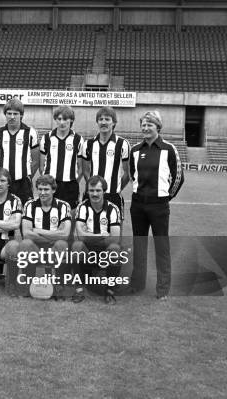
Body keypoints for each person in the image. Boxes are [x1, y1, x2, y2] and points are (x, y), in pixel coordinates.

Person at [127, 111, 184, 300]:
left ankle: (162, 289)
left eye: (149, 125)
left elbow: (178, 177)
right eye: (143, 125)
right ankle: (137, 284)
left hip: (159, 206)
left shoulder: (169, 149)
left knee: (162, 247)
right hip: (138, 206)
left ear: (158, 127)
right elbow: (132, 174)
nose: (145, 128)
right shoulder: (135, 150)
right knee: (139, 245)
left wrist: (166, 198)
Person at [13, 175, 71, 297]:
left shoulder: (63, 206)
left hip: (54, 249)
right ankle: (28, 284)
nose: (42, 192)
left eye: (46, 189)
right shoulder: (30, 205)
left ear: (53, 190)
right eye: (40, 189)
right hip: (36, 249)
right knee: (25, 243)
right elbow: (27, 234)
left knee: (62, 244)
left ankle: (59, 285)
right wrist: (55, 234)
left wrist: (37, 230)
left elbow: (65, 235)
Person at [72, 175, 123, 304]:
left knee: (115, 249)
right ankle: (79, 290)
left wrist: (90, 236)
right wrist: (103, 235)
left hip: (105, 254)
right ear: (87, 191)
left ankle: (109, 292)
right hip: (87, 253)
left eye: (98, 190)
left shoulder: (113, 209)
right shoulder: (82, 208)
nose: (94, 194)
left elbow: (115, 238)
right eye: (92, 190)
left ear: (104, 191)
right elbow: (81, 236)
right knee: (77, 246)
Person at [82, 106, 130, 218]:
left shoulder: (122, 144)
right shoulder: (88, 144)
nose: (103, 122)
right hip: (92, 194)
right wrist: (93, 188)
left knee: (115, 233)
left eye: (107, 119)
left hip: (114, 196)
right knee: (90, 230)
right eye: (101, 119)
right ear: (97, 122)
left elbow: (127, 174)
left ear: (114, 122)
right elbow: (86, 170)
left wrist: (116, 188)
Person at [0, 98, 39, 204]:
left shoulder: (30, 132)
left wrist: (28, 176)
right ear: (5, 114)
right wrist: (2, 175)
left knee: (25, 212)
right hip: (4, 182)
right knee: (3, 210)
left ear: (21, 115)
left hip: (23, 183)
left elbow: (36, 161)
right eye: (9, 113)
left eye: (15, 114)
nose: (12, 117)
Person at [40, 105, 85, 209]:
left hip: (70, 185)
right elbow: (42, 166)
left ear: (71, 120)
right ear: (55, 119)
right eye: (59, 119)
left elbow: (80, 167)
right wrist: (48, 181)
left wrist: (72, 181)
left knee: (70, 215)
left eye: (65, 119)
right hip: (50, 185)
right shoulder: (47, 138)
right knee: (50, 214)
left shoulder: (78, 139)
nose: (62, 122)